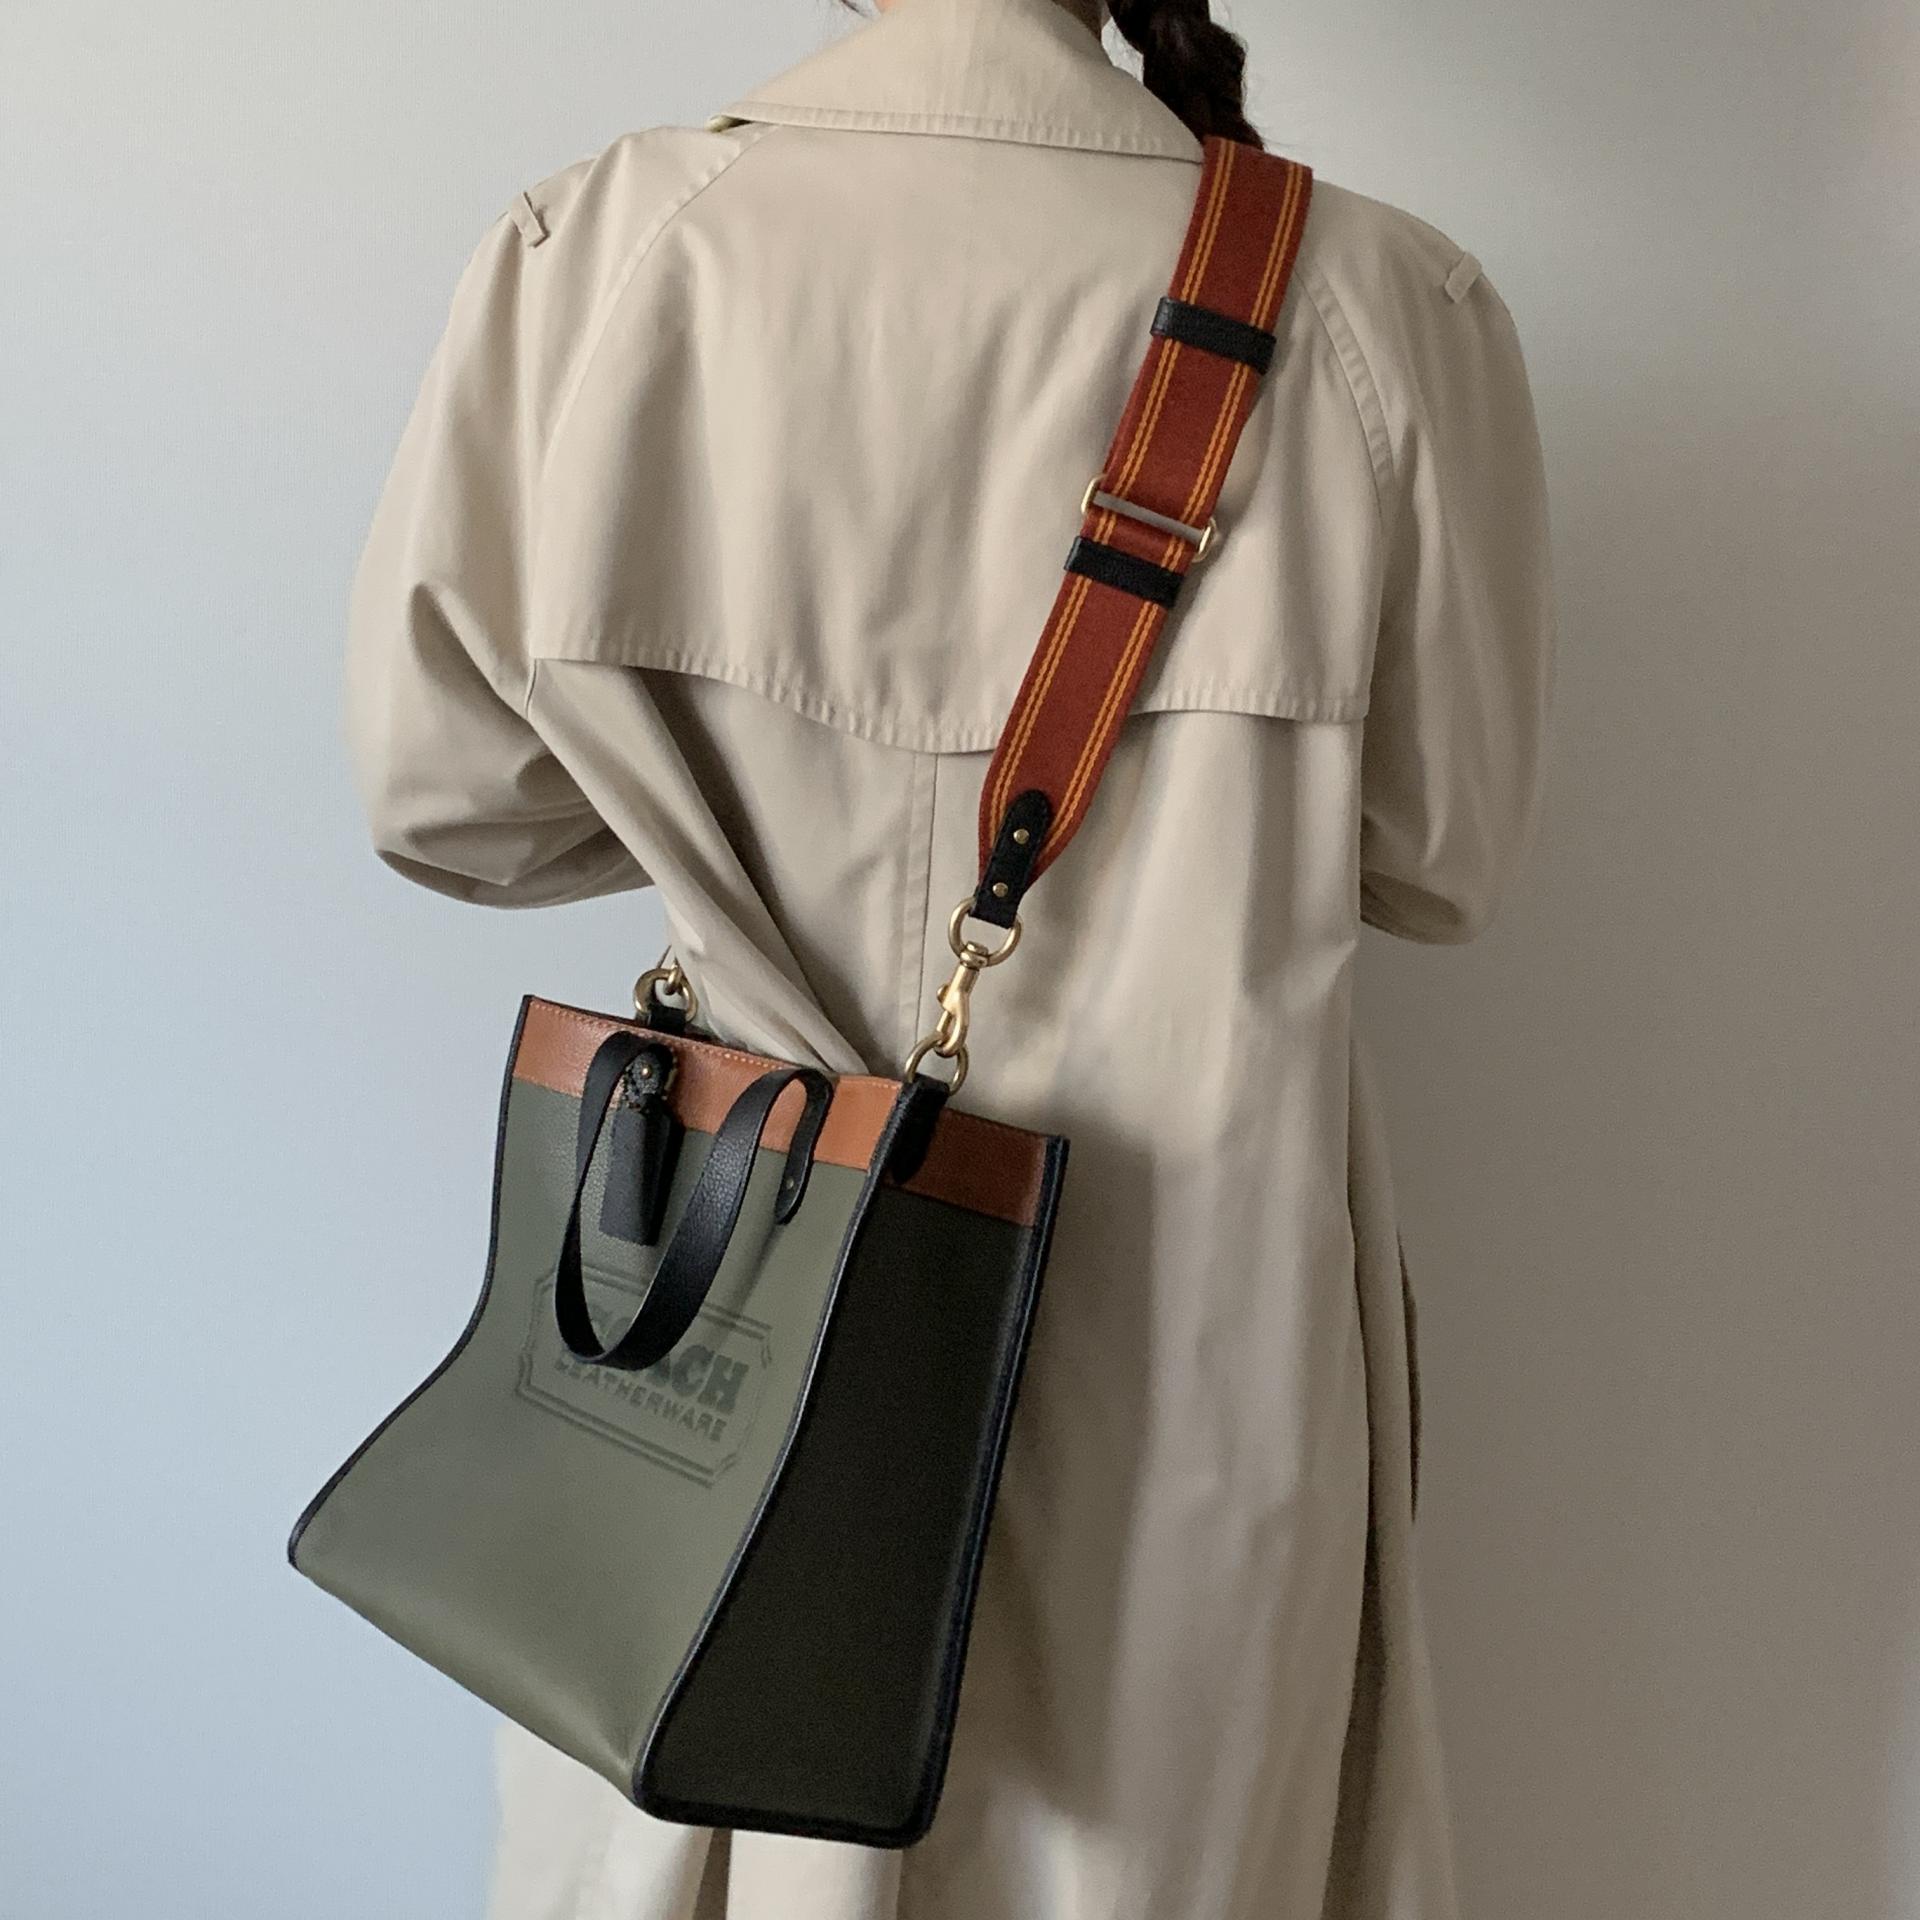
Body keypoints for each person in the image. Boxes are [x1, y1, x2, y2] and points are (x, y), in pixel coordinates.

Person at [342, 0, 1555, 1913]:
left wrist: (716, 826)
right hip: (1191, 1320)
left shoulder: (600, 251)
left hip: (713, 1278)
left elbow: (449, 806)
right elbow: (1436, 856)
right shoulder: (1378, 303)